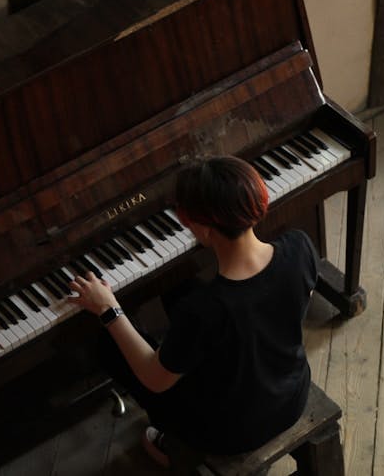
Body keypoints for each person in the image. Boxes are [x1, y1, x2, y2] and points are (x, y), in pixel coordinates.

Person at [68, 155, 319, 467]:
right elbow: (286, 306)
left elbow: (154, 379)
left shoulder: (204, 310)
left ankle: (174, 444)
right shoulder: (300, 246)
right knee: (180, 288)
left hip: (228, 432)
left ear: (204, 228)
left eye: (184, 220)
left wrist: (109, 309)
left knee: (108, 345)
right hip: (290, 395)